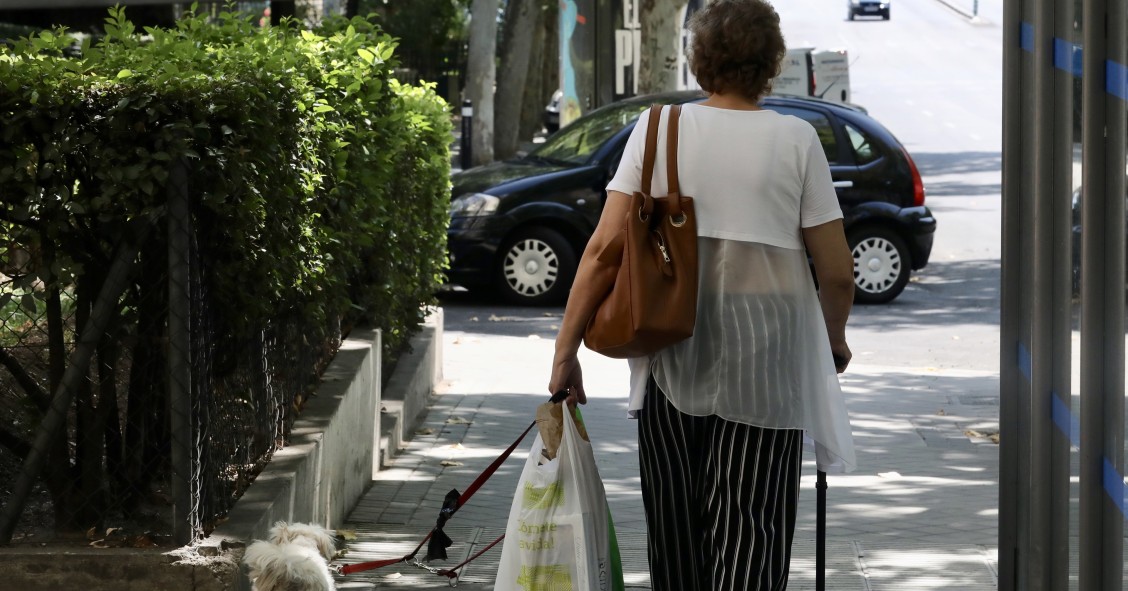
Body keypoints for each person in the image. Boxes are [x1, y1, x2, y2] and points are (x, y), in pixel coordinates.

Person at [547, 0, 858, 589]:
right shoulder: (797, 140)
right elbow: (838, 273)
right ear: (772, 63)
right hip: (767, 372)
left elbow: (603, 250)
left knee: (675, 536)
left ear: (698, 62)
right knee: (752, 535)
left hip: (672, 359)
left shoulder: (659, 129)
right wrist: (832, 341)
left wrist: (566, 353)